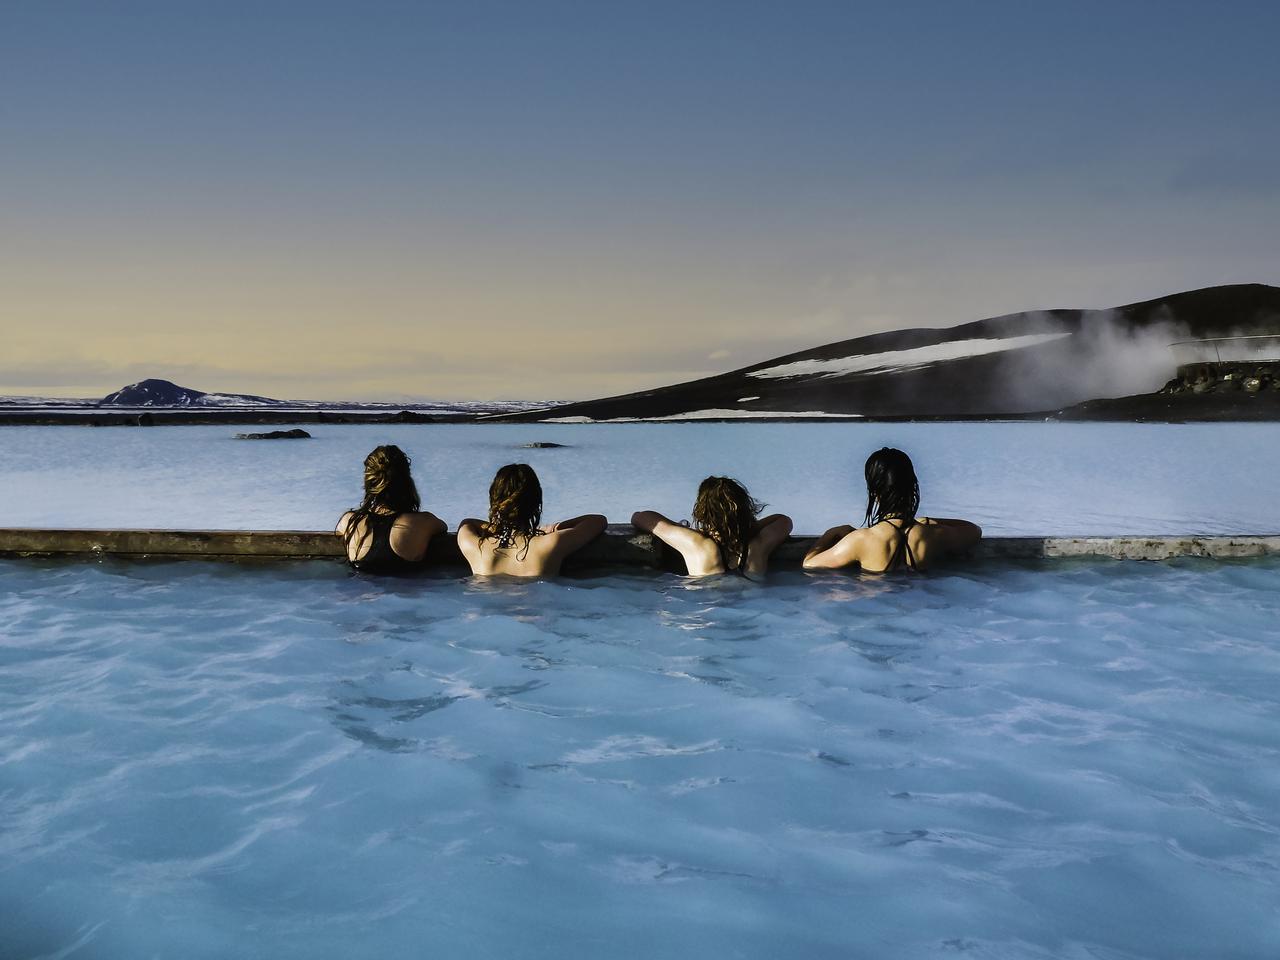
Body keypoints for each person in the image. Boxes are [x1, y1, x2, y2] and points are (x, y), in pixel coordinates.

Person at [803, 447, 981, 573]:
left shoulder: (861, 539)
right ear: (912, 487)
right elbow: (973, 530)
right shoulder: (932, 534)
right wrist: (928, 520)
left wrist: (830, 533)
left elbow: (810, 564)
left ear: (874, 491)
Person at [457, 463, 606, 576]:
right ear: (536, 502)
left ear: (494, 500)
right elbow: (598, 520)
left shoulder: (475, 547)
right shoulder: (550, 544)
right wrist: (553, 528)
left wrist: (497, 528)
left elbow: (467, 522)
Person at [631, 476, 793, 577]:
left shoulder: (695, 543)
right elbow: (784, 520)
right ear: (746, 509)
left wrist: (682, 528)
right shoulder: (757, 545)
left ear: (702, 512)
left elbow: (640, 517)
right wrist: (749, 528)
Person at [335, 445, 446, 572]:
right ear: (406, 481)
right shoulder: (423, 522)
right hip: (406, 588)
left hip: (359, 589)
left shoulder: (349, 521)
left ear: (368, 481)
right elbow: (442, 527)